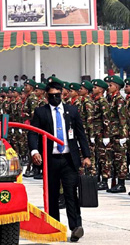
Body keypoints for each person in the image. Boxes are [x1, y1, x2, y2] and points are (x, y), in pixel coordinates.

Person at [28, 79, 92, 243]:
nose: (55, 98)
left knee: (71, 193)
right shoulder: (41, 112)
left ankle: (76, 227)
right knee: (52, 194)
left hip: (69, 159)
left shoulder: (72, 111)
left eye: (58, 95)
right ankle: (54, 227)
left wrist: (86, 156)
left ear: (62, 94)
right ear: (46, 96)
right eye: (52, 96)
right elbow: (33, 133)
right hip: (51, 159)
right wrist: (34, 151)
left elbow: (80, 134)